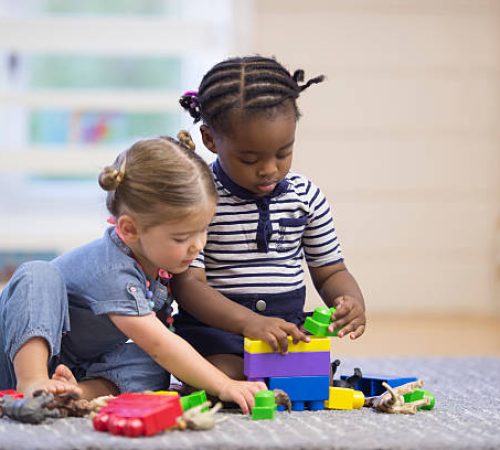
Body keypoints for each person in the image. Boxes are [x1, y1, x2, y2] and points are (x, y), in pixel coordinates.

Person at [0, 133, 265, 413]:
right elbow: (159, 342)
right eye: (181, 238)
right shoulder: (113, 269)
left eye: (203, 229)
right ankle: (32, 383)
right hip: (14, 356)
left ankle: (75, 394)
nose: (197, 245)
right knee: (38, 274)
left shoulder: (157, 262)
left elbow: (159, 347)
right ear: (129, 230)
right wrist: (224, 384)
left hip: (75, 365)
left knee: (153, 365)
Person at [173, 55, 366, 380]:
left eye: (283, 153)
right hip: (219, 331)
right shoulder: (199, 197)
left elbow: (331, 271)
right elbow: (188, 284)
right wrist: (248, 323)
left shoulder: (306, 197)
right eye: (249, 158)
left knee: (311, 377)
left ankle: (275, 373)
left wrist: (350, 301)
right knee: (220, 374)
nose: (269, 169)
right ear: (210, 140)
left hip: (285, 330)